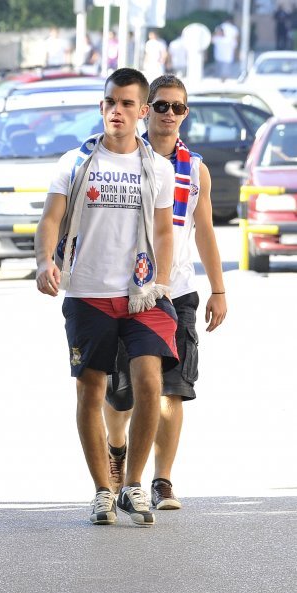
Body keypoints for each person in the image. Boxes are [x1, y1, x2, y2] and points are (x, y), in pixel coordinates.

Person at [34, 68, 177, 528]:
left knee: (149, 383)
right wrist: (44, 261)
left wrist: (160, 281)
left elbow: (162, 229)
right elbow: (51, 219)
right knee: (90, 390)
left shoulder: (158, 167)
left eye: (128, 104)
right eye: (110, 102)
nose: (117, 110)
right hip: (87, 291)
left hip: (141, 292)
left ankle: (133, 483)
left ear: (141, 111)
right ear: (102, 107)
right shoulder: (74, 163)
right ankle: (101, 490)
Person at [103, 74, 227, 512]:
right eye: (161, 106)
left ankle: (162, 480)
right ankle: (116, 452)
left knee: (174, 389)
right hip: (123, 291)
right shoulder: (117, 158)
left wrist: (219, 289)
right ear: (145, 109)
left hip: (176, 294)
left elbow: (206, 231)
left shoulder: (195, 169)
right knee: (121, 393)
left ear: (185, 113)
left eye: (177, 107)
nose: (169, 114)